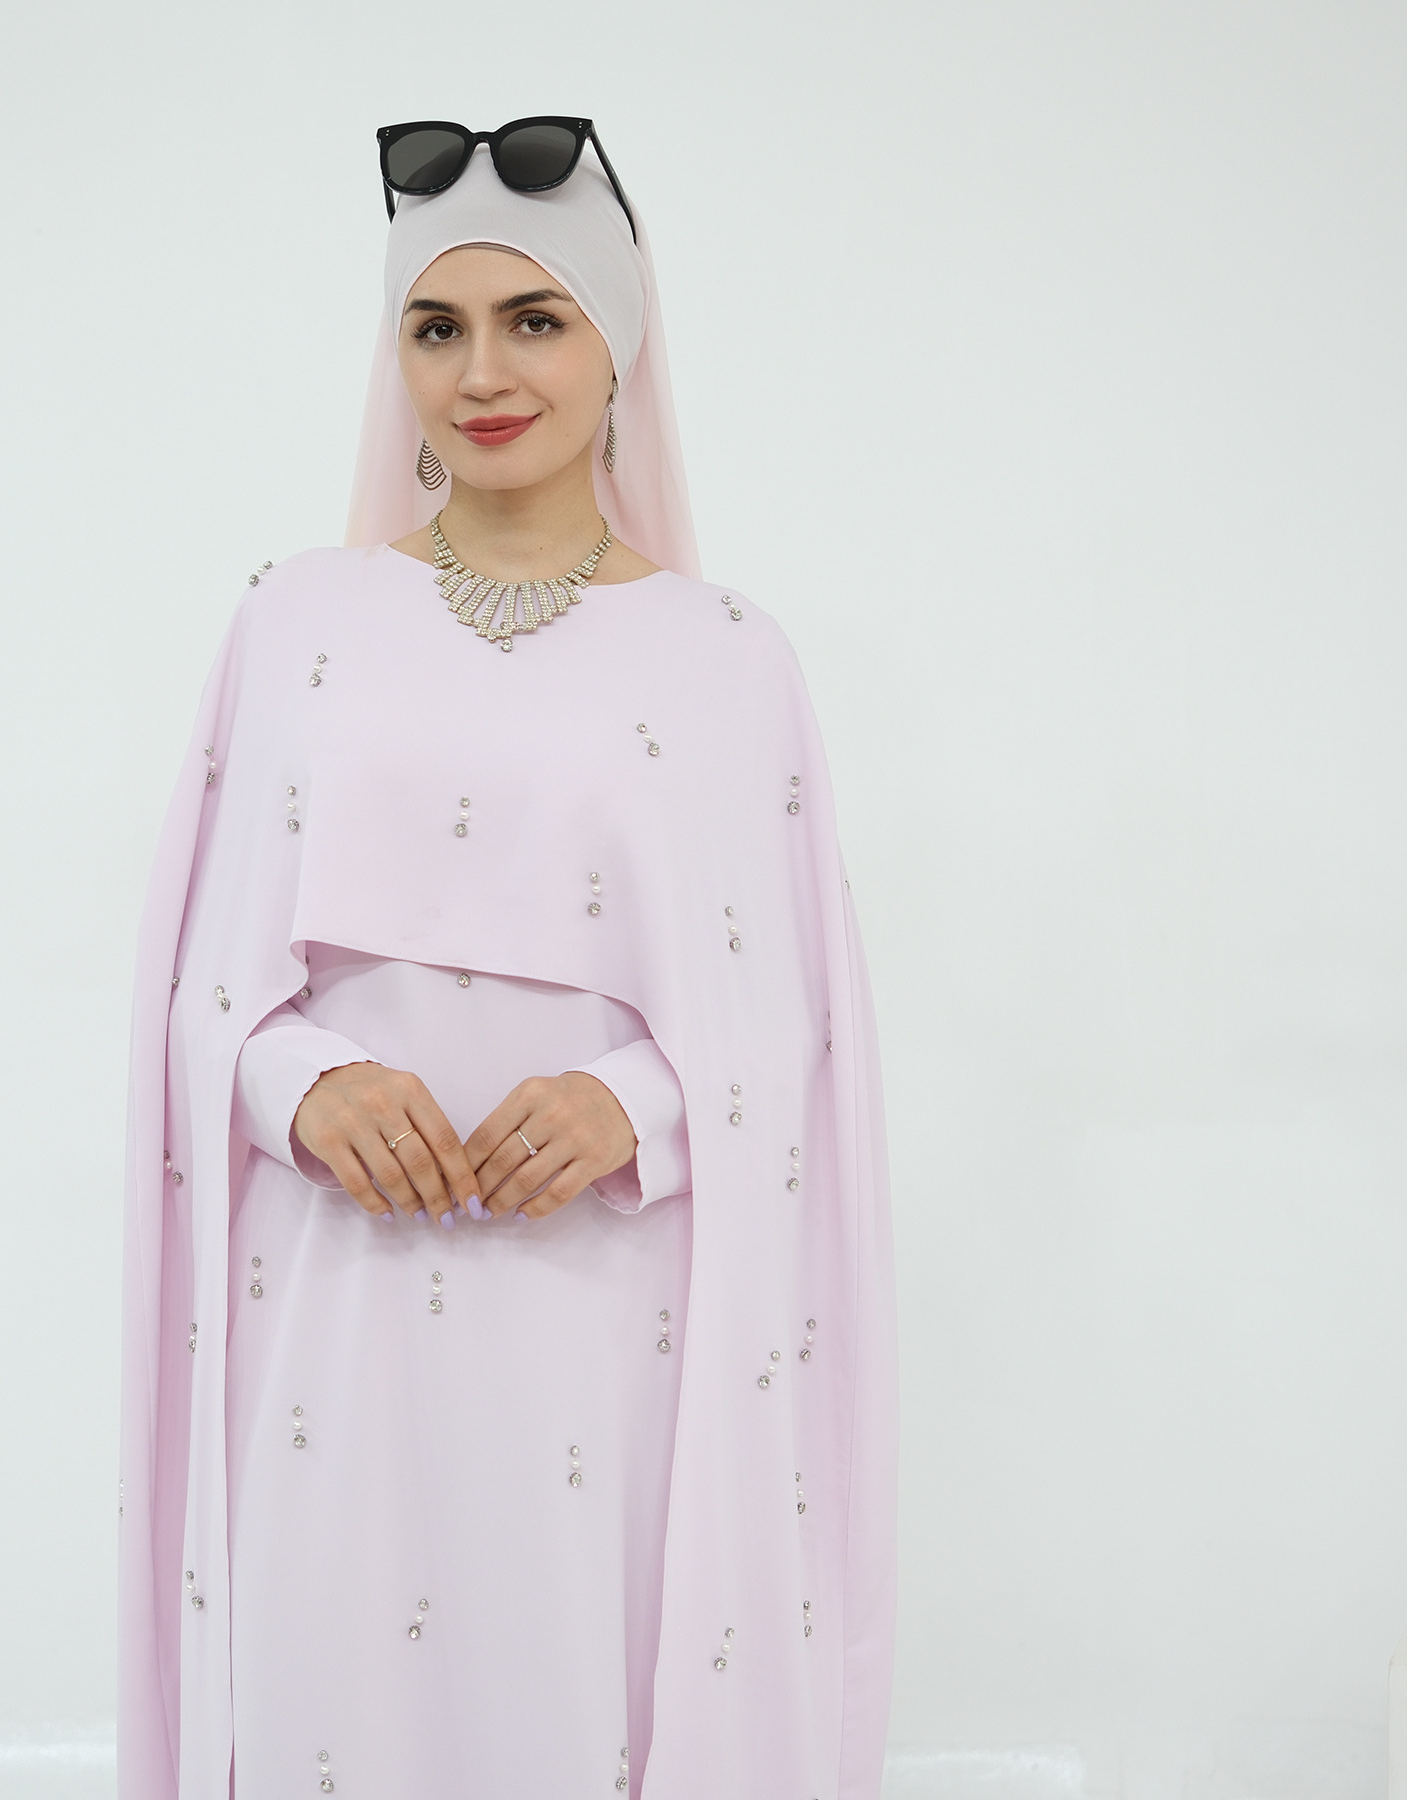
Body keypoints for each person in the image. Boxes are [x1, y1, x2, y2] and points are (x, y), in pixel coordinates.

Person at [118, 118, 896, 1800]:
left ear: (620, 341)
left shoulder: (729, 657)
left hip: (608, 1308)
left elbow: (798, 1027)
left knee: (579, 1687)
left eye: (535, 319)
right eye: (436, 325)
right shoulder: (295, 621)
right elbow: (198, 987)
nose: (481, 373)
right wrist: (303, 1082)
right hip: (336, 1289)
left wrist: (642, 1104)